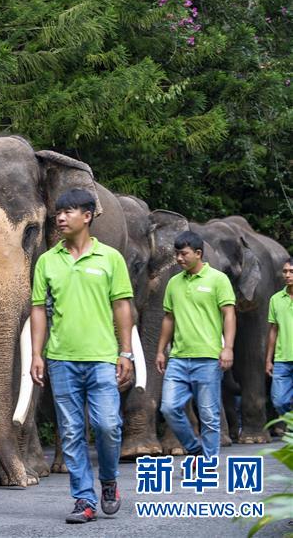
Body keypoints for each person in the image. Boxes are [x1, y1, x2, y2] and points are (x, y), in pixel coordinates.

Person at [30, 188, 134, 524]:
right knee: (71, 432)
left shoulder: (110, 259)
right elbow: (38, 310)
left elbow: (122, 307)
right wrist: (37, 354)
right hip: (62, 360)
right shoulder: (47, 261)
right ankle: (83, 500)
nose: (60, 218)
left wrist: (126, 351)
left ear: (87, 216)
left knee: (108, 425)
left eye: (68, 211)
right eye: (58, 213)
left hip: (103, 357)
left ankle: (108, 480)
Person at [156, 230, 236, 462]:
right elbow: (168, 318)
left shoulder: (217, 279)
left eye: (183, 254)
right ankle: (194, 448)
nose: (178, 259)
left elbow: (229, 314)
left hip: (208, 358)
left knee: (209, 416)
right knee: (168, 408)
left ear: (198, 253)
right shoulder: (173, 283)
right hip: (179, 359)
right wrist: (161, 350)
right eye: (176, 254)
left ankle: (209, 462)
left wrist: (228, 347)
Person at [267, 258, 293, 420]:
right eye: (285, 272)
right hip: (282, 359)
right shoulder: (275, 299)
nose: (288, 275)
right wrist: (268, 359)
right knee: (278, 401)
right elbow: (273, 330)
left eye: (291, 272)